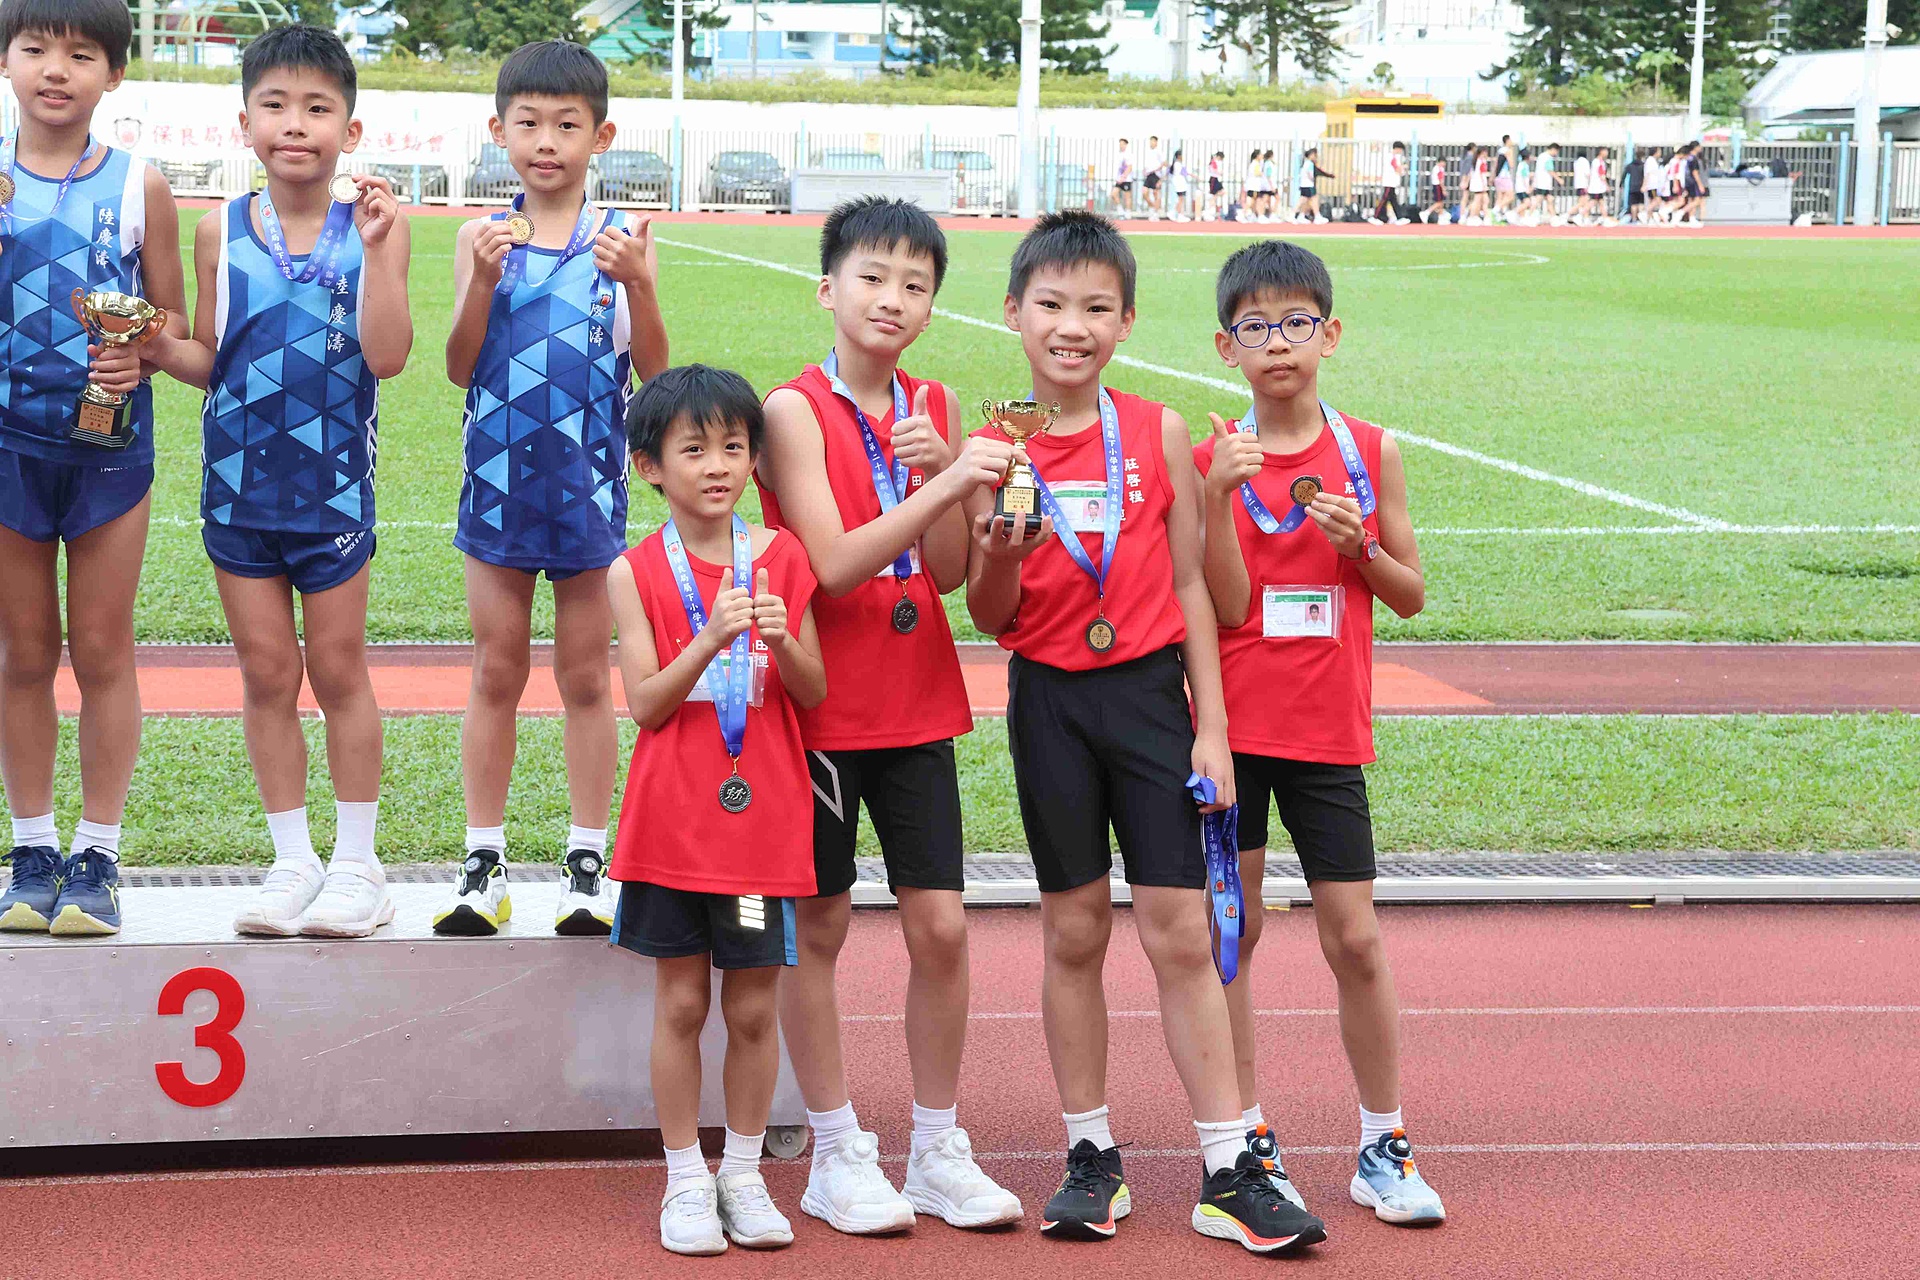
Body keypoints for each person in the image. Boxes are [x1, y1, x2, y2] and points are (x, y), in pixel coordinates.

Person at [962, 211, 1325, 1254]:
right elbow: (988, 614)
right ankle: (1091, 1154)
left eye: (1095, 307)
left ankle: (1229, 1165)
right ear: (1014, 314)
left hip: (1153, 702)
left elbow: (1193, 588)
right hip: (1050, 703)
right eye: (1051, 305)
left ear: (1125, 321)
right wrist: (999, 548)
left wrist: (1215, 728)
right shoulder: (997, 449)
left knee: (1180, 931)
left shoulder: (1158, 431)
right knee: (1073, 930)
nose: (1071, 326)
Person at [757, 197, 1022, 1236]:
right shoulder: (792, 410)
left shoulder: (933, 400)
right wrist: (945, 477)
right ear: (828, 288)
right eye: (873, 277)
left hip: (917, 700)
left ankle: (937, 1145)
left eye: (915, 285)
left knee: (942, 929)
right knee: (818, 927)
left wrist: (941, 481)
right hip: (823, 706)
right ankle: (835, 1147)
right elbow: (832, 563)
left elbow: (945, 572)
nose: (892, 299)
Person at [138, 25, 410, 937]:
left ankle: (359, 865)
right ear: (245, 123)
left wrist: (381, 251)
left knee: (337, 669)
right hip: (237, 491)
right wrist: (150, 344)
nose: (296, 124)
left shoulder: (374, 225)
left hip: (333, 493)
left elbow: (389, 354)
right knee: (265, 672)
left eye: (318, 108)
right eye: (276, 106)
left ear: (350, 130)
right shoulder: (217, 229)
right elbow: (209, 358)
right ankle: (293, 859)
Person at [1195, 238, 1445, 1229]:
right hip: (1235, 736)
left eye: (1297, 322)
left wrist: (1361, 546)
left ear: (1330, 334)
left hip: (1329, 735)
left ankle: (1385, 1141)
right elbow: (1222, 604)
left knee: (1356, 937)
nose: (1278, 342)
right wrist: (1218, 496)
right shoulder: (1216, 454)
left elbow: (1411, 595)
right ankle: (1248, 1134)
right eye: (1255, 326)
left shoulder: (1370, 451)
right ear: (1226, 346)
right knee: (1235, 934)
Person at [438, 40, 669, 938]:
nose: (546, 142)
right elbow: (460, 367)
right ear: (498, 131)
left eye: (567, 125)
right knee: (495, 670)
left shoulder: (623, 238)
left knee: (583, 678)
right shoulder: (480, 238)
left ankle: (586, 863)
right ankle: (482, 863)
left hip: (588, 489)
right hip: (495, 488)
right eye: (528, 123)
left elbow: (656, 376)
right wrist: (481, 283)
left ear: (599, 136)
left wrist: (641, 285)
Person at [607, 364, 825, 1256]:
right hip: (671, 830)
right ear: (650, 467)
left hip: (758, 833)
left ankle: (743, 1172)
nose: (717, 466)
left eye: (734, 447)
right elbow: (646, 704)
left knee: (753, 1009)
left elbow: (812, 688)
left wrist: (780, 638)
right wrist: (708, 638)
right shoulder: (634, 571)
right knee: (682, 1003)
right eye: (693, 449)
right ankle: (684, 1178)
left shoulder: (783, 558)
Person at [0, 0, 184, 937]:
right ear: (5, 62)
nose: (55, 69)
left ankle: (99, 854)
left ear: (114, 73)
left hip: (110, 452)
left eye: (81, 54)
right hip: (6, 451)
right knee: (23, 654)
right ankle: (31, 850)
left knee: (104, 651)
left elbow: (174, 323)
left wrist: (140, 352)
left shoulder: (141, 185)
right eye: (35, 48)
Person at [1369, 142, 1409, 225]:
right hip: (1389, 182)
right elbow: (1397, 169)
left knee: (1393, 200)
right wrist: (1403, 167)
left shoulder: (1391, 157)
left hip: (1391, 182)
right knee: (1384, 200)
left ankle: (1399, 217)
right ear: (1397, 149)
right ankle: (1375, 216)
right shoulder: (1392, 157)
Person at [1294, 147, 1333, 224]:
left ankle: (1302, 215)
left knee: (1306, 201)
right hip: (1308, 184)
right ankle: (1317, 216)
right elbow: (1311, 174)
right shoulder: (1310, 164)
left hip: (1304, 184)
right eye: (1315, 155)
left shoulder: (1305, 163)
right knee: (1312, 199)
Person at [1420, 154, 1449, 224]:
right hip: (1438, 186)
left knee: (1441, 202)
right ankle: (1426, 212)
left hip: (1436, 185)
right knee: (1439, 202)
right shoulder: (1439, 169)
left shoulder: (1435, 168)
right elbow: (1441, 180)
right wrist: (1443, 189)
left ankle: (1441, 217)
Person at [1141, 134, 1163, 221]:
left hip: (1156, 175)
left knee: (1156, 193)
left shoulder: (1159, 152)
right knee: (1144, 192)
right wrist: (1145, 170)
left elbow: (1164, 163)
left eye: (1153, 141)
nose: (1151, 143)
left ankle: (1155, 213)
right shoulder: (1148, 152)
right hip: (1148, 175)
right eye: (1150, 141)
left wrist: (1157, 171)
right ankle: (1152, 207)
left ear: (1156, 142)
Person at [1111, 138, 1133, 217]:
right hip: (1119, 179)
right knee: (1113, 194)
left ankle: (1128, 212)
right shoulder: (1119, 154)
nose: (1121, 145)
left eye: (1123, 144)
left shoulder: (1128, 155)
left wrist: (1123, 177)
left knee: (1127, 196)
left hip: (1126, 179)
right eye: (1120, 144)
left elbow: (1130, 167)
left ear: (1126, 145)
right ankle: (1120, 209)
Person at [1168, 148, 1192, 222]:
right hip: (1180, 183)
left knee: (1180, 199)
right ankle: (1179, 215)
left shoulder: (1176, 164)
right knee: (1181, 199)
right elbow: (1184, 173)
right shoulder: (1178, 164)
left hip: (1179, 182)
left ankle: (1175, 213)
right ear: (1179, 156)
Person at [1204, 150, 1225, 222]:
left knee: (1221, 192)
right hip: (1213, 179)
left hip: (1215, 179)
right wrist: (1220, 173)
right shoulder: (1214, 161)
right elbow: (1214, 170)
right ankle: (1209, 212)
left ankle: (1211, 210)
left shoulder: (1214, 161)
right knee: (1213, 196)